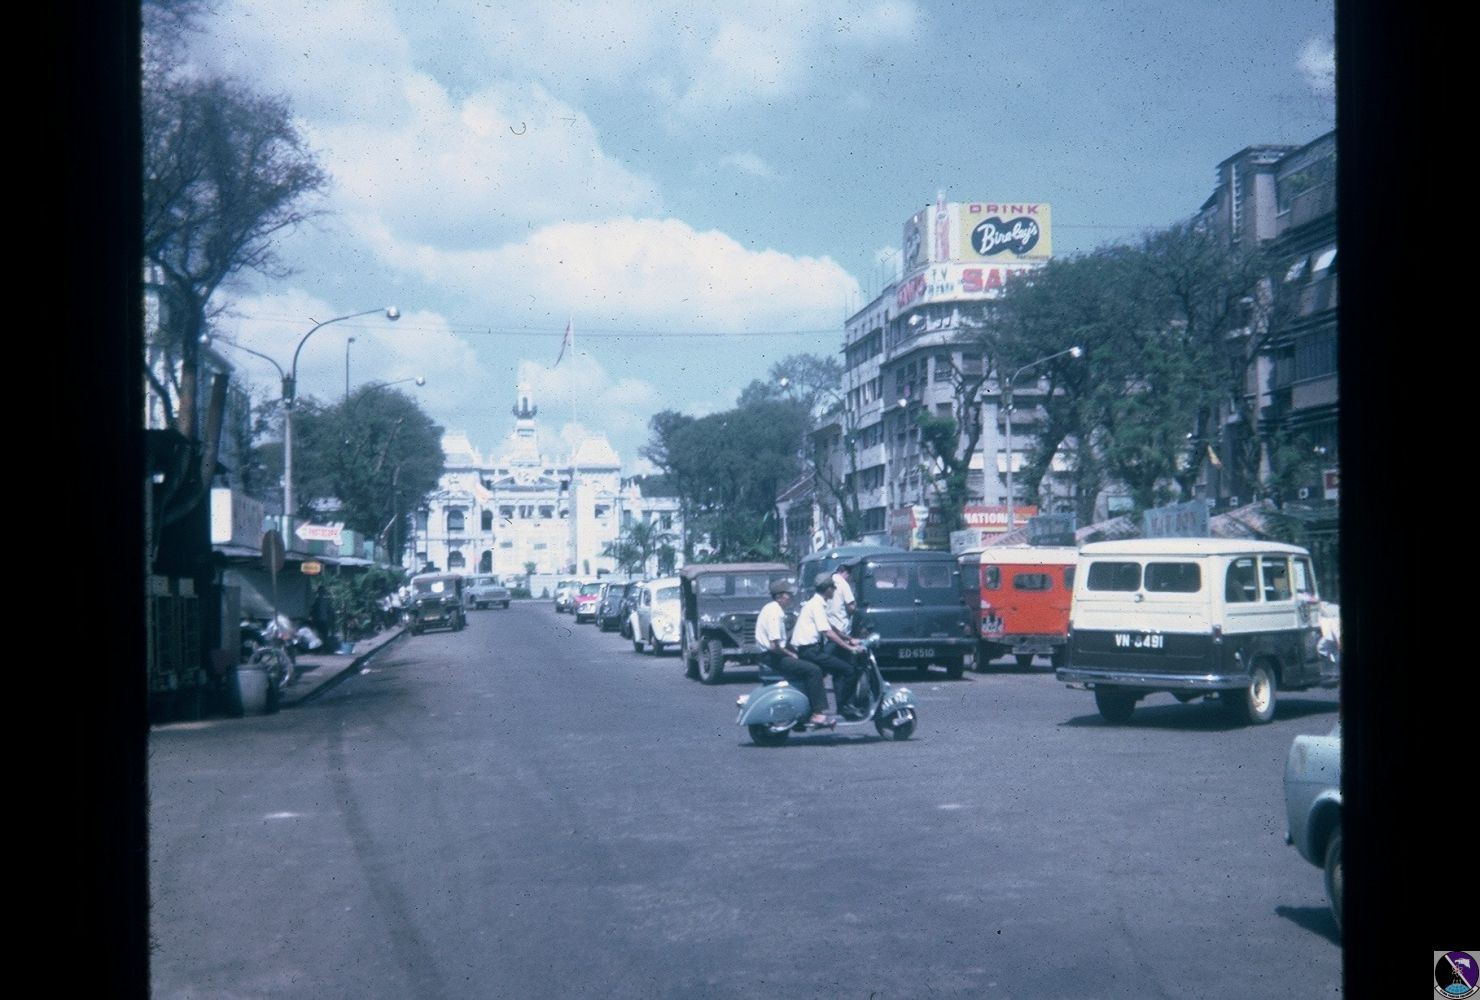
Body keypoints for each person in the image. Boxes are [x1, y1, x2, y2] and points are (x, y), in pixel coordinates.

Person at [756, 580, 834, 728]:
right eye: (788, 594)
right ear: (779, 596)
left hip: (772, 655)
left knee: (811, 666)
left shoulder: (772, 609)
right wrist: (791, 655)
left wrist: (793, 651)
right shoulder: (774, 613)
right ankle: (818, 714)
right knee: (814, 670)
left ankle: (806, 710)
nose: (791, 597)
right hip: (773, 657)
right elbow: (774, 646)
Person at [791, 572, 865, 721]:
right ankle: (845, 706)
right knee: (849, 670)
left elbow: (831, 627)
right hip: (809, 651)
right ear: (828, 589)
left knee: (838, 670)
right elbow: (828, 633)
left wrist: (850, 639)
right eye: (833, 587)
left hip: (810, 650)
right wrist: (850, 648)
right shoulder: (816, 605)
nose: (835, 590)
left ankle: (842, 706)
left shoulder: (816, 603)